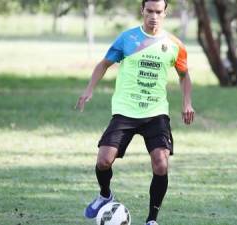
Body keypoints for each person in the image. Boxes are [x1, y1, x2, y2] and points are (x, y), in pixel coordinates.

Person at [75, 0, 194, 224]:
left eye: (159, 12)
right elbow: (103, 64)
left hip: (156, 113)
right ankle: (105, 194)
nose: (154, 16)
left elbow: (184, 75)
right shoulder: (127, 38)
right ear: (142, 10)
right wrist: (89, 90)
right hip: (125, 111)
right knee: (103, 161)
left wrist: (187, 103)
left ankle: (152, 219)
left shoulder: (174, 44)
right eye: (149, 11)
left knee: (161, 163)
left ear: (165, 13)